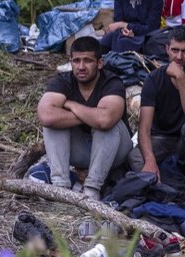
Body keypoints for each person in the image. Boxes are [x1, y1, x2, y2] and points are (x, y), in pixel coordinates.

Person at [37, 36, 132, 200]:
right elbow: (46, 116)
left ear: (99, 63)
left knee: (107, 126)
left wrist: (72, 105)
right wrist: (93, 115)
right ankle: (60, 188)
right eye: (76, 61)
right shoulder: (62, 81)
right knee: (53, 124)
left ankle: (92, 190)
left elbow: (105, 120)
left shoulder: (112, 82)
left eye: (87, 61)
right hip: (82, 150)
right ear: (71, 62)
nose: (81, 67)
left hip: (114, 151)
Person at [129, 26, 185, 198]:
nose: (179, 57)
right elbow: (144, 128)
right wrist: (149, 160)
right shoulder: (154, 78)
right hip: (161, 138)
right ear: (167, 49)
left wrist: (181, 78)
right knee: (135, 156)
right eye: (175, 50)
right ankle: (162, 189)